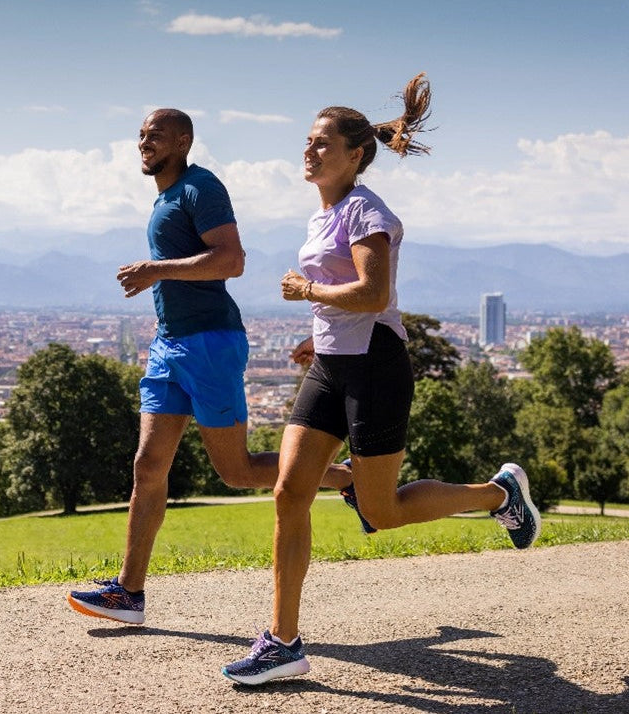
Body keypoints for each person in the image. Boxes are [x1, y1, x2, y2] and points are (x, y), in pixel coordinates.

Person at [222, 73, 540, 685]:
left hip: (376, 368)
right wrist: (319, 334)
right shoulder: (323, 215)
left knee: (383, 510)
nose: (309, 150)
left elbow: (373, 293)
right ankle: (283, 642)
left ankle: (499, 495)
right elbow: (347, 302)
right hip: (331, 365)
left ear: (355, 155)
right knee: (289, 491)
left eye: (322, 143)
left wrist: (307, 291)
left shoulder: (367, 211)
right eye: (308, 140)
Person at [66, 108, 349, 626]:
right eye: (140, 135)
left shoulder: (201, 187)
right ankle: (129, 593)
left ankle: (341, 477)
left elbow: (231, 260)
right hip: (169, 343)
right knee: (148, 466)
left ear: (183, 141)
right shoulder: (165, 197)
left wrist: (154, 269)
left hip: (210, 344)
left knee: (236, 471)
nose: (143, 142)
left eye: (154, 135)